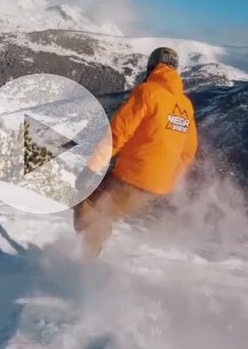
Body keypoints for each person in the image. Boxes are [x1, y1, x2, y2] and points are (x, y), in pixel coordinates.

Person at [74, 47, 198, 259]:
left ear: (152, 67)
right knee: (105, 207)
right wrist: (170, 182)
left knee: (87, 200)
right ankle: (94, 243)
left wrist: (92, 168)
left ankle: (87, 262)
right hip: (159, 186)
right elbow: (188, 151)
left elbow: (117, 134)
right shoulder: (185, 105)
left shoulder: (147, 92)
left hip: (133, 177)